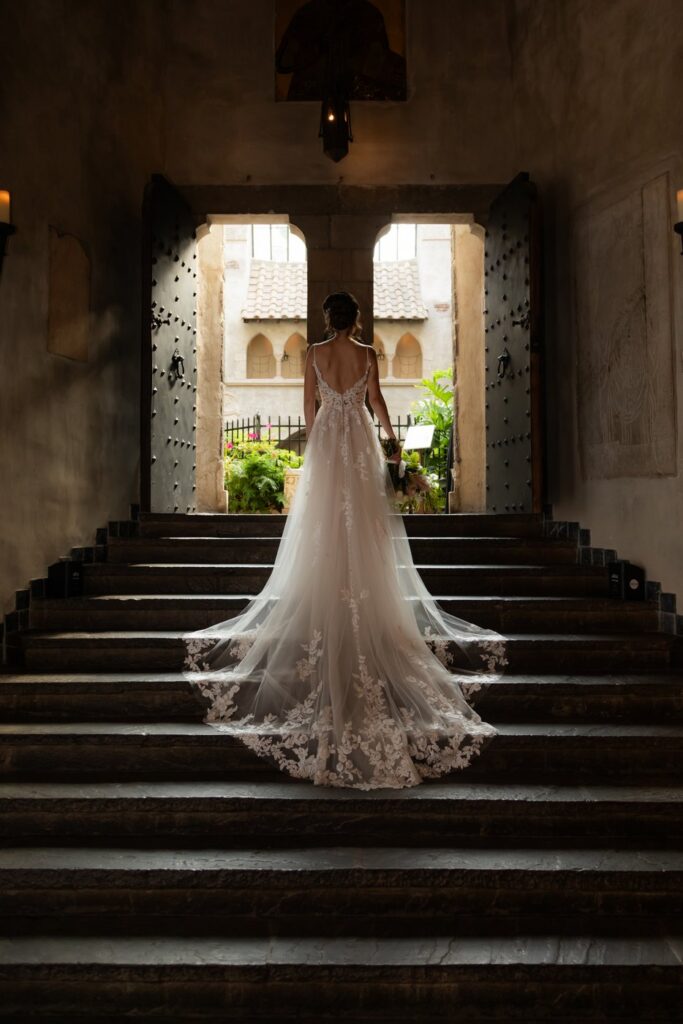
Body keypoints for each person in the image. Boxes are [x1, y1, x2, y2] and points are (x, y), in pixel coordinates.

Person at [182, 292, 506, 790]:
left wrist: (318, 448)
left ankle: (327, 601)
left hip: (330, 448)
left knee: (323, 530)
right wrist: (393, 445)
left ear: (325, 319)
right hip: (358, 444)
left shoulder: (312, 354)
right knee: (365, 533)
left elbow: (307, 409)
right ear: (355, 320)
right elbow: (376, 403)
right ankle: (366, 607)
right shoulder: (369, 355)